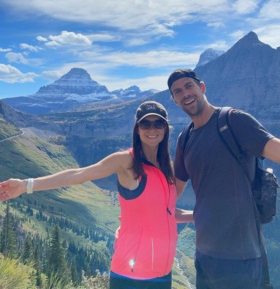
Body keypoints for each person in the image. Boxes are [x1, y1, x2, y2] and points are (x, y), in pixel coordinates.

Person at [167, 68, 280, 289]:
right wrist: (137, 213)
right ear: (174, 100)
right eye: (178, 91)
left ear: (202, 87)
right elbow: (172, 192)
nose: (185, 94)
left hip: (242, 259)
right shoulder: (185, 138)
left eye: (188, 86)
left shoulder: (232, 121)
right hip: (204, 256)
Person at [0, 101, 193, 289]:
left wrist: (197, 215)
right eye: (145, 123)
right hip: (131, 275)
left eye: (158, 123)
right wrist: (26, 185)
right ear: (136, 128)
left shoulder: (167, 169)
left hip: (163, 274)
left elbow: (167, 213)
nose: (152, 129)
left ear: (166, 128)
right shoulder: (126, 160)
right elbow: (79, 174)